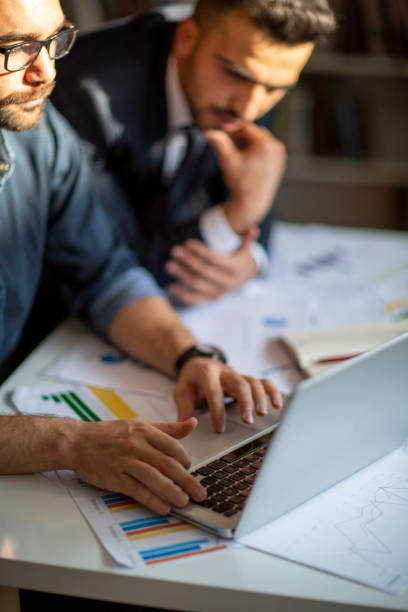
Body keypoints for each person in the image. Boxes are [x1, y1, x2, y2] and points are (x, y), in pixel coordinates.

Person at [0, 0, 282, 517]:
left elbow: (103, 273)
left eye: (54, 41)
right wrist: (70, 444)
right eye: (15, 50)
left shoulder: (36, 131)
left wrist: (191, 356)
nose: (46, 72)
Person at [53, 0, 336, 305]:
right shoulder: (86, 95)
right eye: (236, 74)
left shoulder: (254, 77)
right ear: (187, 38)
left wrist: (250, 260)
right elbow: (108, 263)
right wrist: (238, 215)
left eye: (275, 89)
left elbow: (255, 184)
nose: (249, 109)